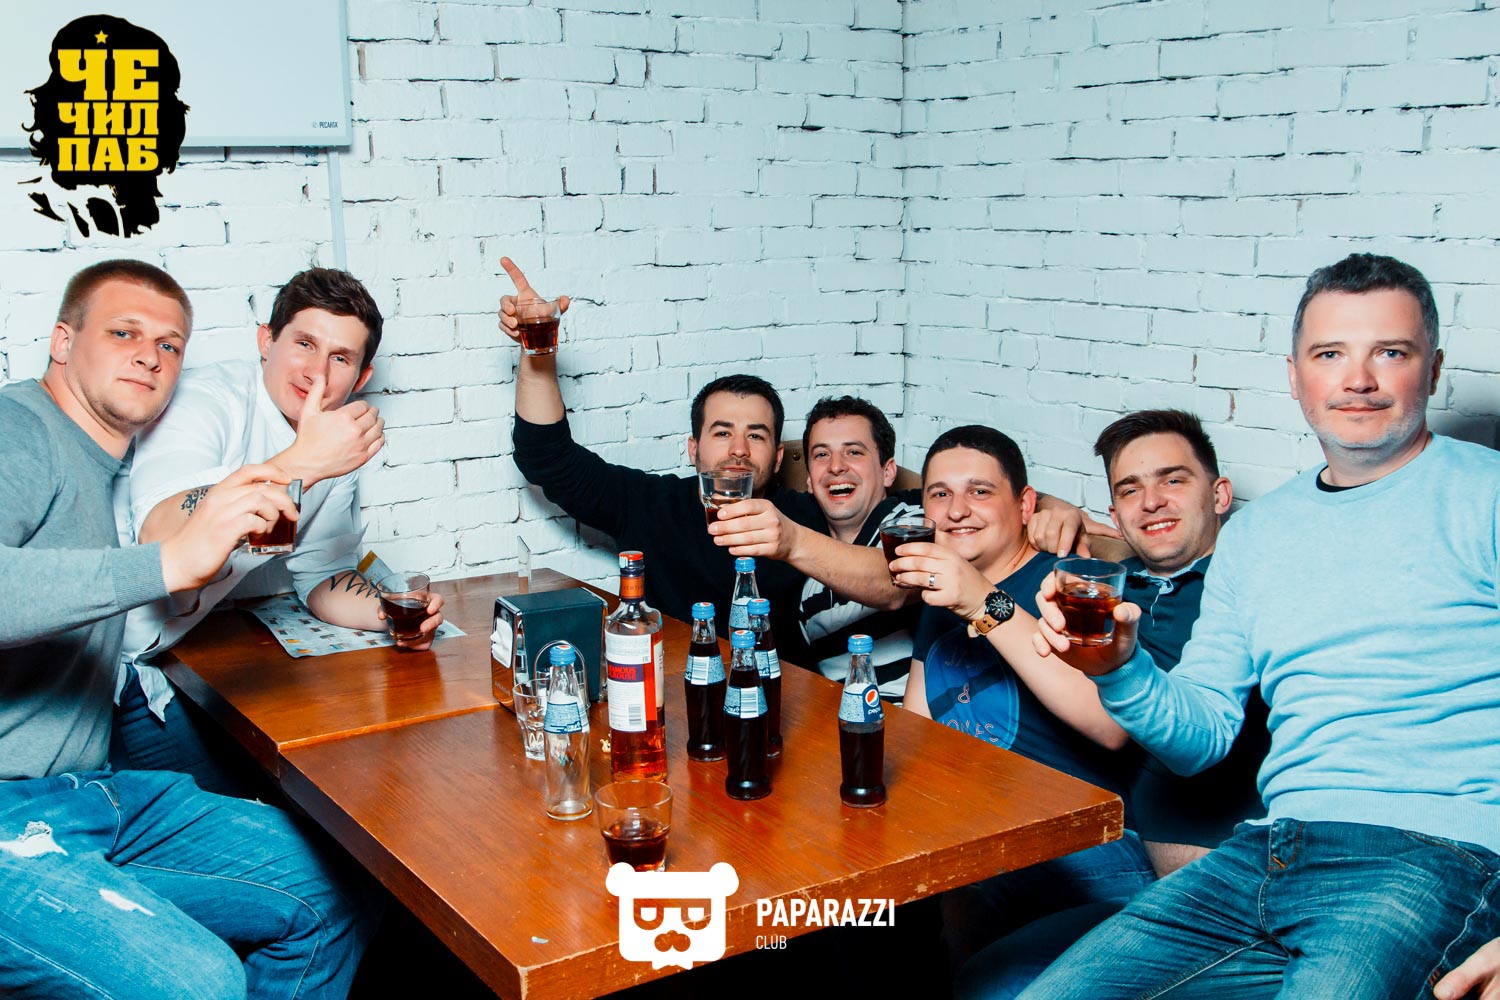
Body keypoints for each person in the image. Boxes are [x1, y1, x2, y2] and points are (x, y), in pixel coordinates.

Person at [1024, 253, 1500, 1000]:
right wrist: (1120, 666)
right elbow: (1201, 737)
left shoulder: (1486, 495)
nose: (1358, 379)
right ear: (1295, 376)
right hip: (1265, 853)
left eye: (1390, 352)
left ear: (1432, 370)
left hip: (1436, 857)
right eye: (1330, 354)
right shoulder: (1257, 534)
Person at [0, 259, 375, 998]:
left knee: (340, 885)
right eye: (124, 333)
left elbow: (317, 570)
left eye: (169, 344)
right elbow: (168, 535)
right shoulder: (19, 431)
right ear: (62, 342)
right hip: (12, 813)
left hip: (90, 794)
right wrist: (174, 559)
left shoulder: (100, 460)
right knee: (200, 981)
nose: (149, 355)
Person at [498, 256, 1098, 655]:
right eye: (722, 433)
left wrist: (1050, 509)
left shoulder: (811, 512)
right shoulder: (651, 504)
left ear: (777, 454)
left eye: (757, 435)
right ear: (693, 447)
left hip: (784, 710)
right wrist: (537, 353)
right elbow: (547, 458)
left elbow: (922, 543)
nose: (739, 449)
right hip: (680, 693)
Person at [953, 410, 1268, 999]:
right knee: (964, 931)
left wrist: (983, 601)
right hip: (1130, 853)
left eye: (1173, 480)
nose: (1151, 502)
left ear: (1220, 495)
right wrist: (1061, 515)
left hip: (1217, 888)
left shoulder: (1239, 594)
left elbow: (1109, 723)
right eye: (1130, 489)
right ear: (1117, 514)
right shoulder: (1120, 582)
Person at [111, 268, 445, 796]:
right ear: (266, 341)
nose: (317, 372)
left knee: (338, 786)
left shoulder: (335, 442)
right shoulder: (203, 399)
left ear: (361, 377)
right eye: (304, 344)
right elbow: (162, 537)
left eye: (340, 358)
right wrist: (301, 465)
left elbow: (322, 573)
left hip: (174, 660)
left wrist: (391, 615)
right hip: (105, 666)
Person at [890, 424, 1153, 976]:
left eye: (980, 491)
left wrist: (980, 600)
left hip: (1087, 851)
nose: (956, 510)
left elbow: (1110, 722)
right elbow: (917, 731)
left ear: (1027, 505)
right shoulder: (942, 590)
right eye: (940, 494)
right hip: (980, 837)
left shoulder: (1065, 585)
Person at [796, 396, 924, 701]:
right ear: (810, 482)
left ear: (888, 472)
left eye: (853, 452)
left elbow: (898, 581)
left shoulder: (913, 522)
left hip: (922, 719)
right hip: (846, 718)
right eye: (821, 454)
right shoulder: (809, 583)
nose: (836, 466)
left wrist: (790, 542)